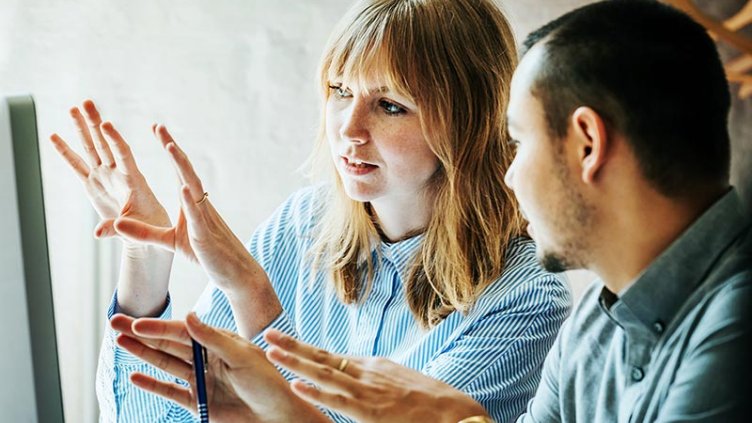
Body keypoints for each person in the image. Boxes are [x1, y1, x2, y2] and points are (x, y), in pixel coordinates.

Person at [118, 0, 752, 422]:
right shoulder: (598, 323)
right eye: (339, 93)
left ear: (587, 144)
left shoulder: (731, 323)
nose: (508, 170)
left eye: (520, 140)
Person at [49, 0, 571, 421]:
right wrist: (146, 255)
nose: (348, 128)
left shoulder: (525, 296)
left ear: (469, 123)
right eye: (340, 91)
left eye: (390, 105)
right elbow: (156, 417)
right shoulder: (302, 224)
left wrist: (253, 297)